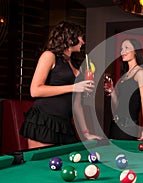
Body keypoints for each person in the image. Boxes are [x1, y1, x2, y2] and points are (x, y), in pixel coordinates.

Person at [20, 21, 101, 149]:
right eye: (80, 37)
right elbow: (35, 90)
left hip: (64, 125)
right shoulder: (49, 56)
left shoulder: (75, 64)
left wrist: (86, 133)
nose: (83, 42)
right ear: (69, 38)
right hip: (45, 121)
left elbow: (77, 105)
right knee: (42, 167)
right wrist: (74, 87)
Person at [107, 38, 143, 141]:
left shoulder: (140, 72)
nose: (123, 51)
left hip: (128, 127)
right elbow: (118, 105)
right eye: (121, 49)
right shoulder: (124, 76)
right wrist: (112, 92)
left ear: (135, 51)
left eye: (127, 48)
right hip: (114, 125)